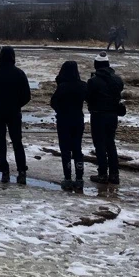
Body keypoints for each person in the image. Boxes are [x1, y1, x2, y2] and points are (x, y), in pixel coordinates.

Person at [0, 46, 32, 184]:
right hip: (14, 113)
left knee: (1, 142)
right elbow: (27, 95)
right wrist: (17, 104)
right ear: (13, 57)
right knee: (17, 142)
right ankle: (21, 172)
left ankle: (5, 172)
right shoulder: (19, 73)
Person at [86, 52, 124, 185]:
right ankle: (114, 175)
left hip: (98, 115)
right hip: (113, 115)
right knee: (110, 143)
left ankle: (102, 174)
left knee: (100, 145)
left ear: (96, 65)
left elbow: (88, 97)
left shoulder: (93, 81)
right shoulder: (118, 80)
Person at [50, 61, 87, 191]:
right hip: (78, 119)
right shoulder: (83, 85)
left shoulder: (62, 87)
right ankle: (79, 178)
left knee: (65, 150)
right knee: (77, 149)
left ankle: (67, 178)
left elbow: (53, 102)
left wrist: (60, 111)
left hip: (64, 120)